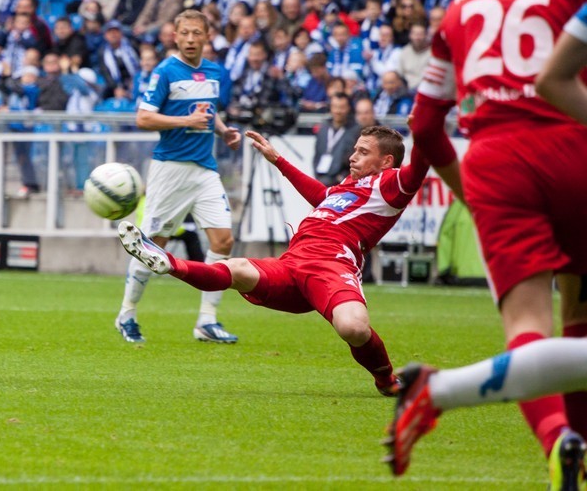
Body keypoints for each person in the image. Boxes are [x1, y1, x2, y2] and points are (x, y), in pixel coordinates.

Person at [384, 0, 587, 487]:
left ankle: (562, 441)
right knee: (579, 314)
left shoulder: (461, 6)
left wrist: (471, 194)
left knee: (528, 331)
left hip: (496, 164)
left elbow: (425, 126)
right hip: (575, 151)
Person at [118, 126, 429, 395]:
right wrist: (277, 160)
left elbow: (419, 168)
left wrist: (427, 128)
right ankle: (169, 263)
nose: (353, 156)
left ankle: (387, 380)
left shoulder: (390, 184)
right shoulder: (347, 187)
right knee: (236, 267)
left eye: (363, 152)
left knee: (353, 328)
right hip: (291, 263)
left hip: (332, 267)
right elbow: (320, 195)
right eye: (354, 150)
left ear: (386, 161)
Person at [115, 8, 241, 344]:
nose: (189, 39)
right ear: (174, 35)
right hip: (170, 170)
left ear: (206, 36)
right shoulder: (166, 71)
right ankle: (126, 314)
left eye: (196, 33)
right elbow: (143, 118)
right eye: (183, 33)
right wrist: (185, 122)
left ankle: (207, 320)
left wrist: (224, 130)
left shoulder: (215, 72)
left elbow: (207, 113)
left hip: (204, 170)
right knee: (153, 246)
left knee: (224, 241)